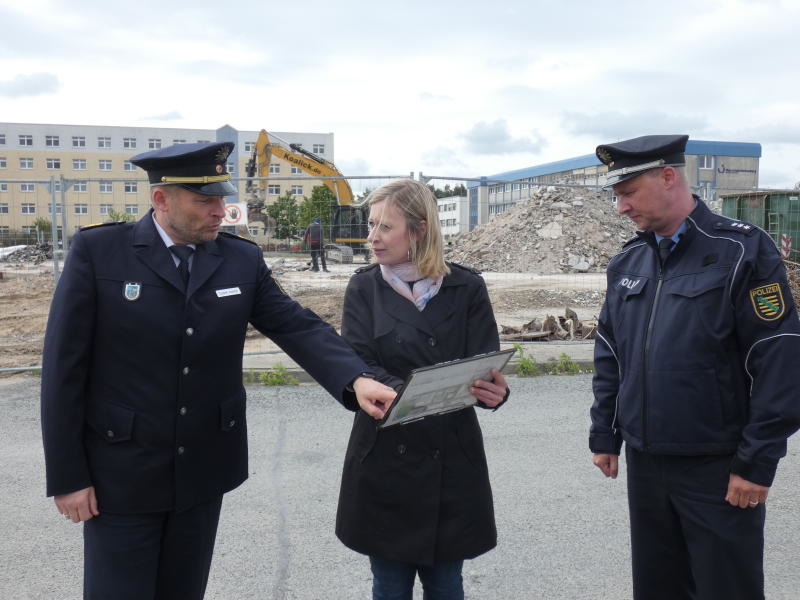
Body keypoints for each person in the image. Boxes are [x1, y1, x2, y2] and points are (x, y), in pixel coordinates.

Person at [40, 141, 396, 600]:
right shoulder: (101, 252)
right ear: (162, 200)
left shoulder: (238, 258)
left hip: (203, 470)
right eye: (205, 200)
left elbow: (294, 323)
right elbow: (63, 370)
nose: (220, 211)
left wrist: (355, 377)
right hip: (121, 470)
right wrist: (69, 477)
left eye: (222, 198)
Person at [589, 134, 800, 599]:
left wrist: (758, 462)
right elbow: (610, 351)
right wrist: (605, 432)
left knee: (727, 588)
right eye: (616, 196)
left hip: (718, 466)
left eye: (628, 193)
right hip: (647, 463)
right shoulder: (628, 260)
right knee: (658, 588)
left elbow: (780, 358)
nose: (620, 208)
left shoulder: (742, 251)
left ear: (668, 177)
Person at [335, 178, 510, 599]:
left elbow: (483, 364)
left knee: (447, 583)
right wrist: (420, 394)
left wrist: (496, 393)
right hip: (385, 454)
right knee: (390, 584)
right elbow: (359, 364)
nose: (372, 237)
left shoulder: (467, 287)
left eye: (384, 227)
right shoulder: (364, 287)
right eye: (371, 224)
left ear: (420, 229)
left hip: (451, 457)